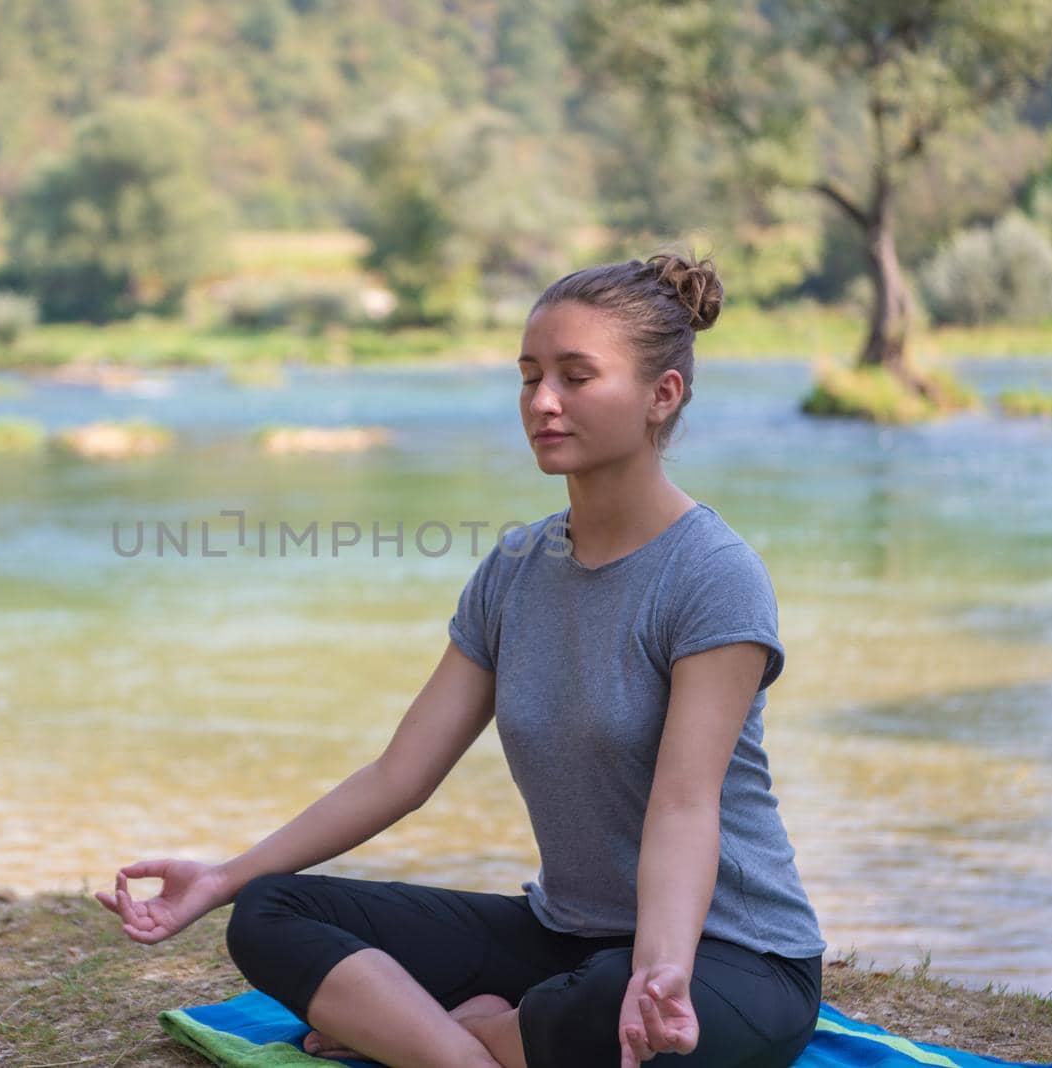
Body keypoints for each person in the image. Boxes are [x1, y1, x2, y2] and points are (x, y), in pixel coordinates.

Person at [96, 253, 826, 1068]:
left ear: (663, 396)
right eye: (529, 377)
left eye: (577, 376)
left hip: (728, 956)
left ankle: (447, 1035)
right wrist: (223, 877)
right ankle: (482, 1048)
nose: (543, 402)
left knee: (601, 1013)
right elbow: (398, 776)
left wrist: (660, 972)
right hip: (565, 936)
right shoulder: (514, 570)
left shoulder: (711, 575)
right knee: (271, 913)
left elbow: (686, 807)